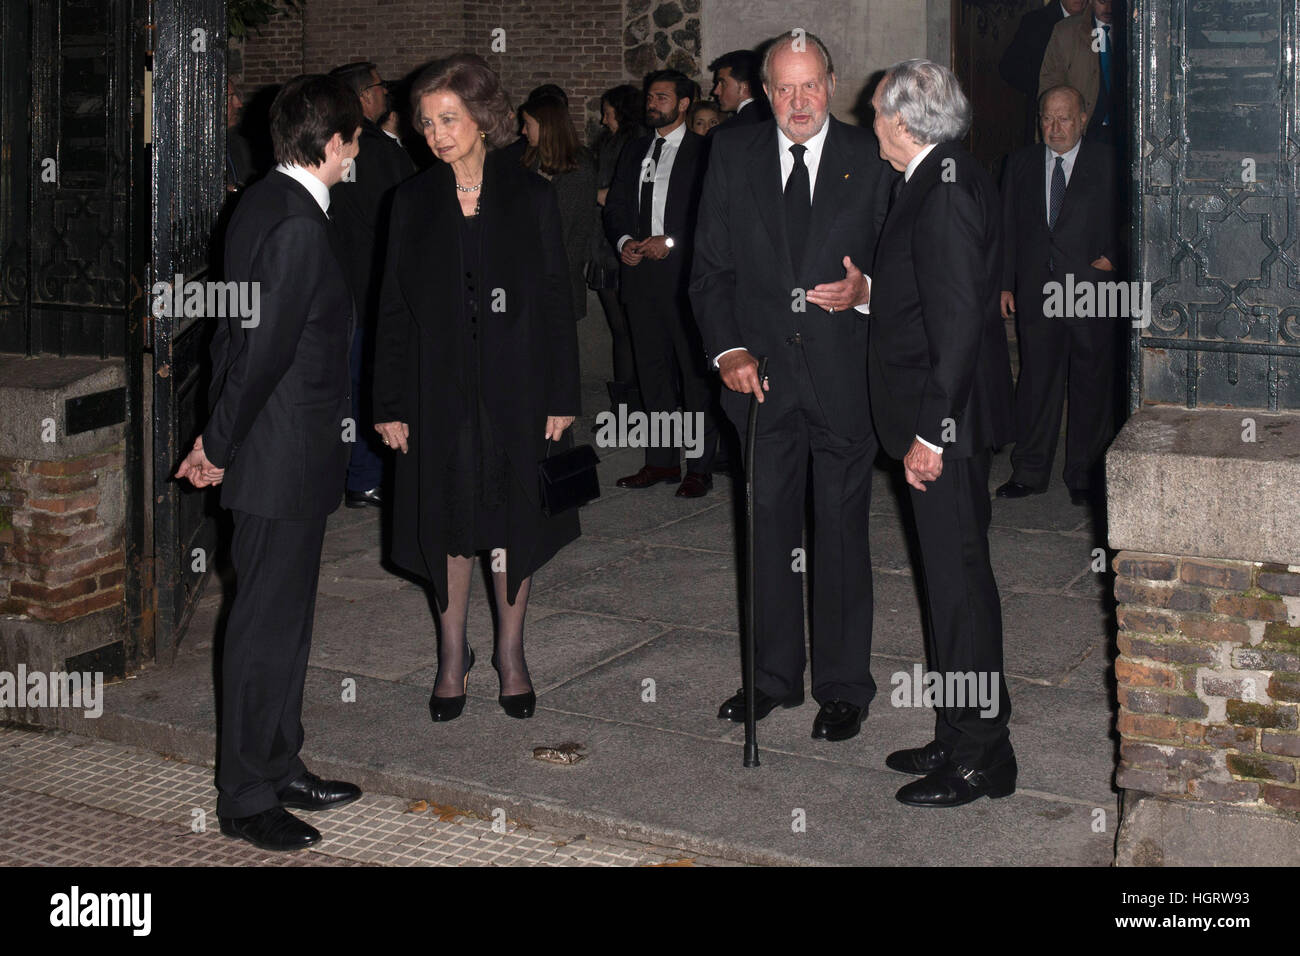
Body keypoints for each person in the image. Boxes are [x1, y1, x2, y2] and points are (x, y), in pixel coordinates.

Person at [176, 74, 364, 850]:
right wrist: (217, 445)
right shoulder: (292, 225)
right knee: (262, 627)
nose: (358, 153)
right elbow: (260, 353)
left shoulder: (262, 200)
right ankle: (246, 795)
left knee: (283, 623)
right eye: (353, 141)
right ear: (329, 146)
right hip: (277, 457)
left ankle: (278, 762)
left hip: (285, 453)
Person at [690, 32, 894, 742]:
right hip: (761, 384)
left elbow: (909, 260)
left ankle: (843, 686)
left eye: (810, 86)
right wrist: (729, 350)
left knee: (839, 534)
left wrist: (869, 289)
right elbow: (709, 271)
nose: (799, 101)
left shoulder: (871, 156)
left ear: (832, 84)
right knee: (767, 530)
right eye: (785, 88)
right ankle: (772, 678)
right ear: (767, 91)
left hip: (843, 381)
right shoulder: (730, 154)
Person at [372, 54, 581, 723]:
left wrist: (562, 395)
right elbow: (393, 309)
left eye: (449, 119)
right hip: (437, 396)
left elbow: (555, 300)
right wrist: (388, 403)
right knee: (447, 520)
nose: (436, 133)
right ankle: (450, 655)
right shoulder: (409, 201)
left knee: (512, 517)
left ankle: (511, 655)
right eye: (426, 122)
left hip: (517, 395)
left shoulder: (531, 195)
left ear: (482, 116)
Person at [868, 59, 1016, 807]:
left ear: (903, 119)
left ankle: (982, 755)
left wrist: (931, 432)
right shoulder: (939, 174)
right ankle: (960, 729)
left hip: (944, 427)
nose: (871, 126)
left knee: (959, 590)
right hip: (939, 419)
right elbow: (929, 296)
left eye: (875, 113)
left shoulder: (946, 187)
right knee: (950, 586)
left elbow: (957, 323)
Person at [997, 86, 1118, 505]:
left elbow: (1132, 213)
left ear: (1083, 118)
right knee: (1036, 382)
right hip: (1036, 291)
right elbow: (1007, 224)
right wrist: (1005, 282)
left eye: (1065, 117)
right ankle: (1029, 471)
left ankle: (1083, 474)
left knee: (1090, 382)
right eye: (1048, 118)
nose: (1056, 127)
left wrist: (1112, 257)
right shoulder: (1020, 163)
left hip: (1091, 289)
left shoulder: (1108, 161)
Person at [604, 69, 719, 498]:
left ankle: (700, 466)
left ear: (685, 103)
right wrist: (624, 241)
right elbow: (615, 206)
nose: (653, 103)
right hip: (639, 278)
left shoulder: (705, 151)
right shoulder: (635, 149)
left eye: (662, 97)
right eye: (650, 96)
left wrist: (669, 242)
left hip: (685, 278)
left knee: (692, 373)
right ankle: (661, 460)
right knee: (650, 373)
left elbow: (711, 215)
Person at [328, 60, 417, 510]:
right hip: (372, 289)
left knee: (348, 384)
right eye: (381, 87)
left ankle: (353, 471)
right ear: (365, 96)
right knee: (368, 384)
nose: (386, 94)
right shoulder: (378, 149)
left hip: (338, 287)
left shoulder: (331, 144)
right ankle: (364, 474)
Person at [588, 84, 644, 410]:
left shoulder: (626, 144)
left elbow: (612, 195)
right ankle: (630, 406)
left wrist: (589, 193)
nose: (603, 119)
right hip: (613, 246)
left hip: (616, 249)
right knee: (626, 331)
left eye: (607, 112)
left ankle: (628, 409)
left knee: (625, 331)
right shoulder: (620, 143)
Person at [520, 92, 596, 321]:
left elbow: (567, 232)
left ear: (546, 126)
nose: (523, 131)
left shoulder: (577, 168)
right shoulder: (533, 160)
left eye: (528, 124)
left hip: (556, 281)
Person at [999, 0, 1089, 142]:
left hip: (1087, 119)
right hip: (1047, 113)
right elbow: (1009, 68)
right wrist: (1046, 88)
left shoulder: (1098, 21)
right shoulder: (1036, 22)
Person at [1039, 0, 1125, 147]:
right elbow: (1050, 85)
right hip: (1084, 129)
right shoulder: (1067, 31)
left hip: (1123, 130)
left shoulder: (1137, 32)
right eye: (1102, 1)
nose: (1108, 8)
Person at [709, 49, 772, 131]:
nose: (716, 91)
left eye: (722, 83)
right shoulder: (778, 121)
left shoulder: (724, 132)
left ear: (744, 87)